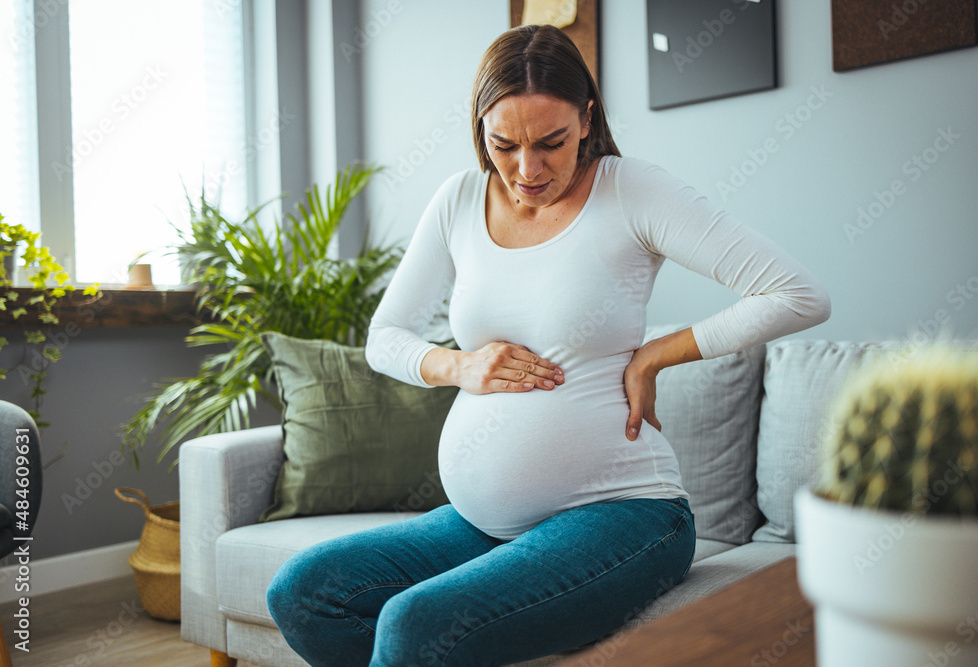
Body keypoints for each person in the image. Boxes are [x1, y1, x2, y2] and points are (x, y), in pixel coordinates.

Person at [267, 24, 831, 666]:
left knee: (416, 622)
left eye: (551, 143)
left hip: (626, 515)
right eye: (503, 145)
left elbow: (798, 293)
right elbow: (384, 339)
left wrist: (656, 353)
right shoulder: (458, 201)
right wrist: (461, 365)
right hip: (485, 523)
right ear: (478, 127)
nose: (527, 170)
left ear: (587, 119)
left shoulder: (631, 191)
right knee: (304, 592)